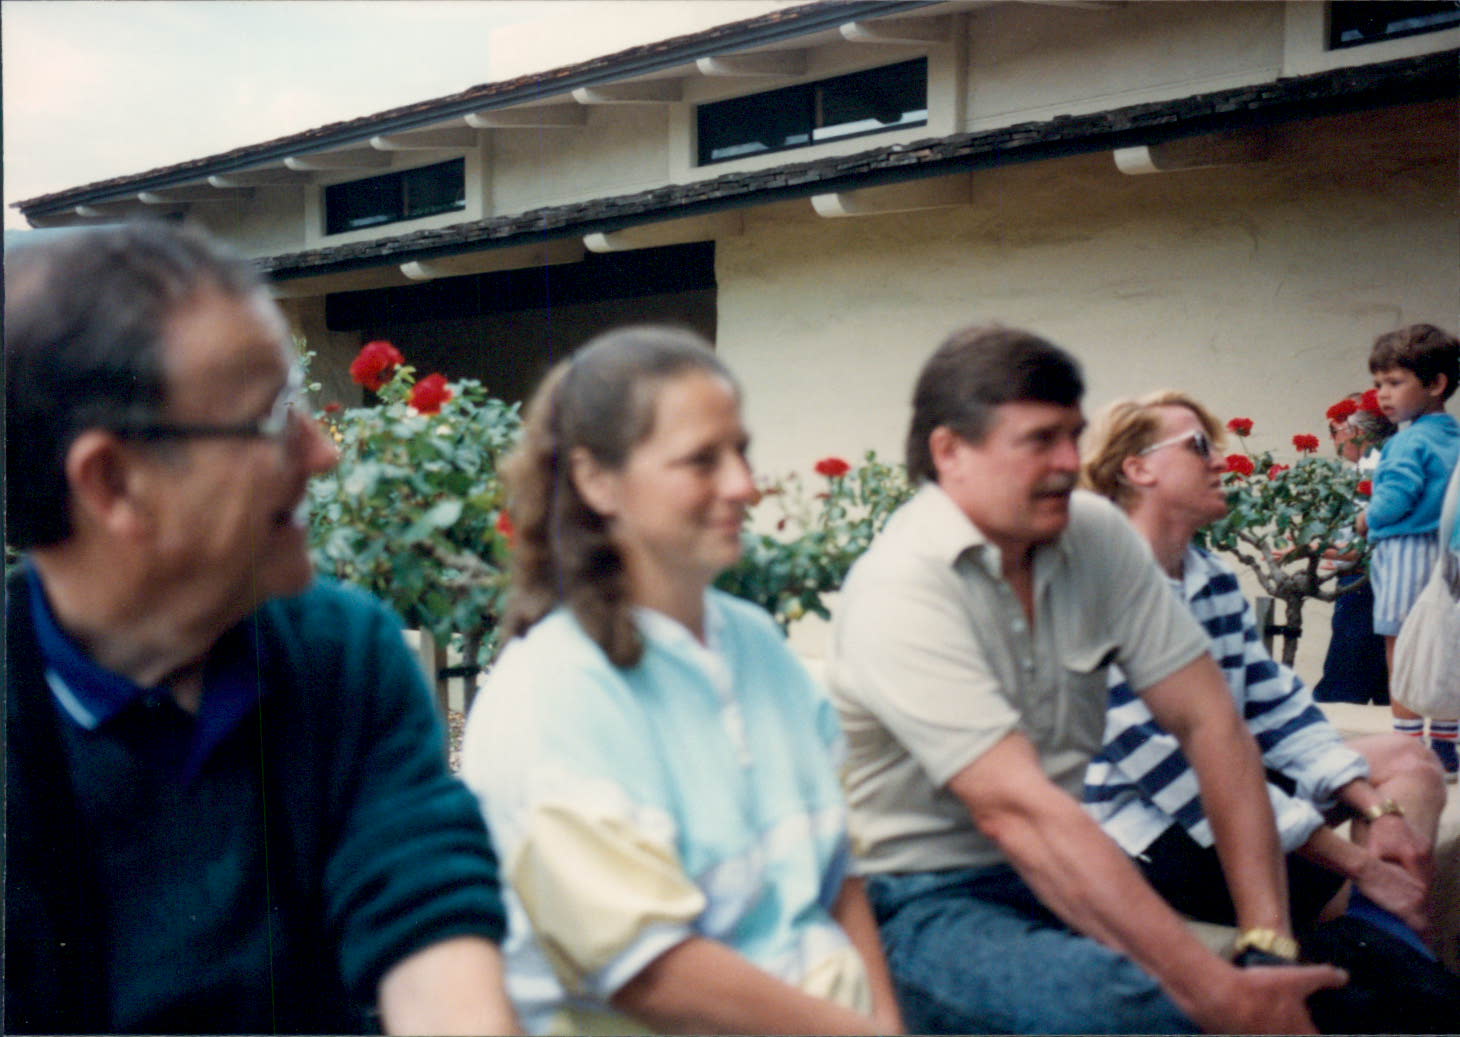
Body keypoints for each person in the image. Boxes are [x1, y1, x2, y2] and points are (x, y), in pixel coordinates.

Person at [4, 223, 518, 1035]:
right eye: (276, 414)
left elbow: (432, 933)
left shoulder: (339, 654)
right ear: (114, 482)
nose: (322, 454)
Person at [829, 324, 1346, 1035]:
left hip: (1063, 865)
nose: (1071, 462)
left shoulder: (1095, 534)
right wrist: (1215, 991)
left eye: (1073, 435)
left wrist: (1266, 941)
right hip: (914, 897)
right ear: (950, 451)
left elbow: (1211, 722)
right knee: (1148, 1013)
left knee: (1353, 983)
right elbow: (1019, 812)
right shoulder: (904, 586)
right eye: (1039, 441)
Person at [460, 326, 903, 1035]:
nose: (744, 485)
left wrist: (886, 1019)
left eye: (742, 451)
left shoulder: (757, 645)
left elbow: (837, 877)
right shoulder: (552, 694)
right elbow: (654, 974)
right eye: (702, 460)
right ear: (596, 480)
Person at [1080, 390, 1444, 945]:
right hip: (1147, 838)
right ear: (1137, 468)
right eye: (1199, 446)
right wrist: (1359, 863)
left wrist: (1378, 807)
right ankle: (1377, 957)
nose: (1223, 461)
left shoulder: (1206, 573)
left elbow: (1272, 703)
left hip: (1232, 791)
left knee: (1409, 762)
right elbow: (1183, 778)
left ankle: (1377, 950)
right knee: (1364, 863)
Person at [1354, 323, 1460, 779]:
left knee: (1402, 645)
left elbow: (1394, 499)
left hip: (1406, 553)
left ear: (1436, 385)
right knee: (1445, 646)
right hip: (1448, 553)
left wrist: (1365, 518)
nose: (1382, 394)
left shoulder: (1406, 441)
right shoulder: (1453, 437)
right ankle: (1446, 746)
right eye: (1379, 384)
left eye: (1395, 382)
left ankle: (1407, 743)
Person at [1314, 393, 1396, 704]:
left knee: (1343, 688)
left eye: (1334, 432)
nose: (1333, 441)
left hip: (1365, 587)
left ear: (1356, 432)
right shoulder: (1386, 461)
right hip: (1381, 586)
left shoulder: (1370, 472)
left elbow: (1364, 547)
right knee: (1386, 687)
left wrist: (1312, 549)